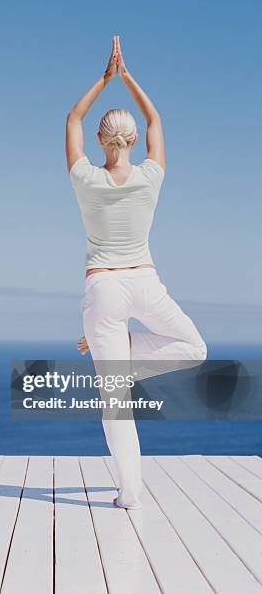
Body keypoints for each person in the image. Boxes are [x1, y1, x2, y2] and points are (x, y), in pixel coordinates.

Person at [66, 35, 207, 509]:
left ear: (102, 141)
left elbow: (73, 119)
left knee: (115, 399)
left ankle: (130, 493)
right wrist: (127, 78)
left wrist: (105, 78)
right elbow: (155, 119)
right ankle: (123, 354)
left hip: (103, 288)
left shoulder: (86, 178)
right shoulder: (151, 177)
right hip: (145, 282)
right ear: (128, 140)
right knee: (194, 348)